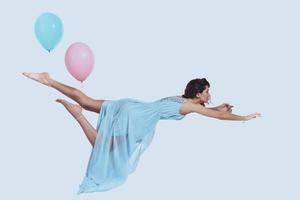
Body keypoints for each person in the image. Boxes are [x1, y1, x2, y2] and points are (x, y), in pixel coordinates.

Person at [22, 72, 261, 194]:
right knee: (108, 149)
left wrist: (218, 108)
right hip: (137, 121)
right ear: (199, 94)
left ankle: (48, 80)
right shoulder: (188, 106)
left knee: (87, 101)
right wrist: (244, 117)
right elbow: (215, 117)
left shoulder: (182, 100)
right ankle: (77, 115)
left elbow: (206, 111)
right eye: (207, 92)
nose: (209, 96)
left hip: (132, 106)